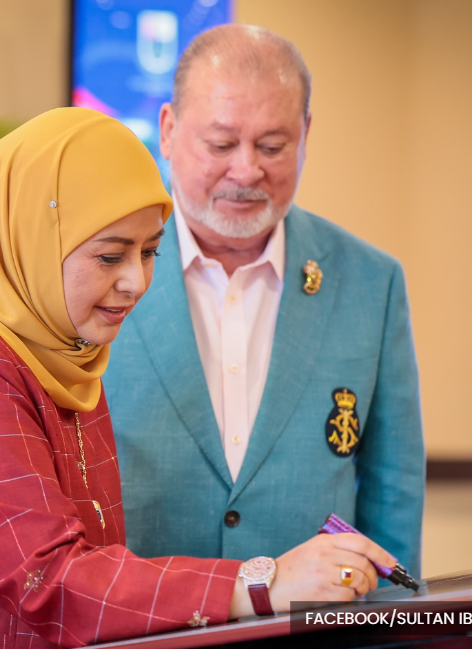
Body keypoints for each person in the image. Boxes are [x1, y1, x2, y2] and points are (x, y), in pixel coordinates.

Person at [0, 107, 398, 649]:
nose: (135, 282)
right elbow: (50, 579)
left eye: (149, 252)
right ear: (32, 239)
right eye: (109, 256)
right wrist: (262, 581)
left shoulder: (65, 353)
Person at [104, 25, 425, 577]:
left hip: (309, 639)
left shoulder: (371, 282)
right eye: (221, 144)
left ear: (306, 135)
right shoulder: (98, 268)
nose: (247, 170)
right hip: (137, 634)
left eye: (273, 146)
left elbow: (391, 493)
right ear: (168, 131)